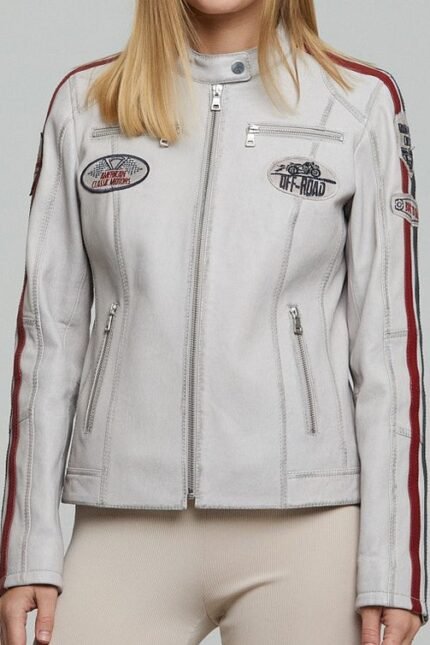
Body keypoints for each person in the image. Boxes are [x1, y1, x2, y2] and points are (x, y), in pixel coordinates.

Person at [0, 0, 428, 643]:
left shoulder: (356, 103)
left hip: (309, 533)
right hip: (123, 521)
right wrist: (27, 549)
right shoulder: (86, 104)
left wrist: (395, 569)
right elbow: (48, 338)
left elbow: (391, 352)